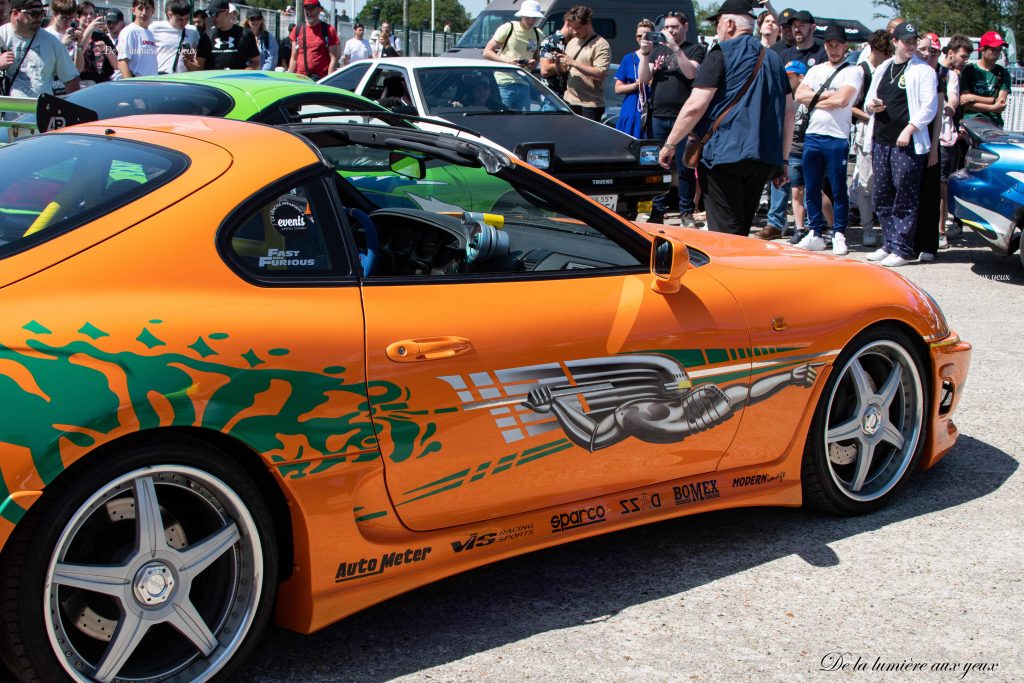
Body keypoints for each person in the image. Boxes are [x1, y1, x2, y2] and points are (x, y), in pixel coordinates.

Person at [657, 0, 793, 236]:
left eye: (718, 23)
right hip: (761, 157)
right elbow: (789, 111)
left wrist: (670, 143)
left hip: (723, 155)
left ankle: (728, 272)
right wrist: (783, 160)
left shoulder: (721, 53)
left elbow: (695, 105)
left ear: (729, 24)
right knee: (740, 230)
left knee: (724, 234)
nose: (717, 29)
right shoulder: (773, 59)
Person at [862, 21, 938, 268]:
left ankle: (903, 248)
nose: (911, 46)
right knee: (882, 195)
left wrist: (910, 128)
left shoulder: (923, 70)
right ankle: (890, 242)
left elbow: (929, 107)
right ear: (895, 42)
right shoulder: (884, 66)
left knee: (904, 197)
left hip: (906, 142)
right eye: (907, 41)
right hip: (881, 139)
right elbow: (868, 101)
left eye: (914, 41)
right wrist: (872, 106)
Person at [792, 24, 863, 256]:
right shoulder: (816, 70)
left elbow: (842, 100)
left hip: (837, 136)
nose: (833, 50)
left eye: (838, 45)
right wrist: (825, 96)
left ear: (845, 46)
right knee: (810, 187)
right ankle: (815, 232)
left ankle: (839, 232)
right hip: (813, 134)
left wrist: (814, 99)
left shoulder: (853, 70)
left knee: (837, 186)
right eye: (830, 45)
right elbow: (799, 95)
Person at [638, 10, 705, 226]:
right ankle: (657, 209)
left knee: (684, 166)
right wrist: (646, 54)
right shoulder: (658, 50)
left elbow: (691, 73)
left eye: (674, 27)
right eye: (666, 28)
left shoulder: (695, 49)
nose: (669, 31)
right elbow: (643, 78)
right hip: (658, 115)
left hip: (682, 118)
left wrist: (675, 48)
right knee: (658, 165)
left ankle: (686, 211)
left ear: (685, 27)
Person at [849, 29, 893, 247]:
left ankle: (885, 227)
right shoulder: (861, 70)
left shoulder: (891, 69)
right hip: (866, 132)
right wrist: (871, 114)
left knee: (884, 183)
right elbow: (851, 106)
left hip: (885, 133)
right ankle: (867, 228)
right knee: (866, 184)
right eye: (884, 51)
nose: (887, 56)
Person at [757, 58, 806, 240]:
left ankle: (813, 224)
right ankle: (776, 223)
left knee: (806, 190)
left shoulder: (806, 97)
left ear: (801, 77)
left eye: (790, 76)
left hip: (802, 149)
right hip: (782, 148)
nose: (786, 79)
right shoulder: (780, 97)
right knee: (778, 184)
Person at [0, 0, 79, 97]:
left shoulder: (52, 42)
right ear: (16, 13)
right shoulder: (2, 36)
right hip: (6, 110)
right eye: (34, 14)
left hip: (40, 111)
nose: (39, 18)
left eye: (42, 13)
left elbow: (71, 81)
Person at [484, 0, 543, 110]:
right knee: (502, 120)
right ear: (522, 15)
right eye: (528, 17)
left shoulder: (538, 34)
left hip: (524, 82)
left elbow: (536, 56)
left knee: (522, 122)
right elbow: (487, 52)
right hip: (503, 82)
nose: (531, 21)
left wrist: (534, 63)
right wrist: (508, 63)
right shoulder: (508, 28)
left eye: (534, 18)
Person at [556, 5, 610, 121]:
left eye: (578, 28)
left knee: (587, 139)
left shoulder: (601, 44)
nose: (574, 32)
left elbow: (600, 74)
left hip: (590, 105)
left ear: (588, 23)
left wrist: (573, 63)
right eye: (572, 28)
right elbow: (564, 70)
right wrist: (558, 62)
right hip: (569, 101)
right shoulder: (572, 42)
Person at [959, 31, 1011, 128]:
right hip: (970, 122)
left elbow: (1000, 103)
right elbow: (965, 103)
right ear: (982, 50)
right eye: (993, 50)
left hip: (994, 123)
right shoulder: (969, 70)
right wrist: (992, 106)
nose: (997, 54)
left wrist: (973, 98)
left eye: (999, 50)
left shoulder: (1003, 73)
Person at [614, 19, 654, 139]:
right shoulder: (628, 58)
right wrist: (635, 85)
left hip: (653, 108)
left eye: (647, 35)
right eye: (639, 35)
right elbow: (617, 88)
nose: (643, 38)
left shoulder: (659, 55)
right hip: (632, 108)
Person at [288, 0, 338, 77]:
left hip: (320, 80)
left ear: (319, 10)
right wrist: (290, 79)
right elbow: (293, 58)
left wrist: (328, 83)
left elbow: (333, 59)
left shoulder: (329, 30)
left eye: (312, 8)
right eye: (306, 8)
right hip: (300, 78)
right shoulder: (297, 29)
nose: (309, 12)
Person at [150, 0, 200, 74]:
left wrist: (192, 54)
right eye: (180, 19)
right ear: (170, 15)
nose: (184, 23)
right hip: (160, 77)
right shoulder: (154, 28)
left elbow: (198, 54)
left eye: (186, 19)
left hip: (184, 79)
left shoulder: (192, 31)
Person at [207, 0, 257, 70]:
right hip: (212, 80)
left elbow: (256, 62)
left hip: (237, 80)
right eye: (210, 14)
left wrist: (242, 75)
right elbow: (200, 65)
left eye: (215, 14)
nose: (213, 18)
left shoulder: (245, 34)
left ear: (226, 12)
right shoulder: (207, 35)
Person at [76, 0, 116, 85]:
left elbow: (116, 65)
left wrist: (106, 49)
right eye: (85, 14)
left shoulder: (101, 35)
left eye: (91, 13)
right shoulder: (75, 35)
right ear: (78, 17)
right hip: (83, 83)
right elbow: (75, 63)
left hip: (103, 82)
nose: (89, 17)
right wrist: (90, 29)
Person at [116, 0, 157, 78]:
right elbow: (122, 63)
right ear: (133, 10)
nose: (144, 13)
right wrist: (131, 86)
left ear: (153, 11)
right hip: (138, 85)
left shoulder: (150, 33)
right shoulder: (129, 31)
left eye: (147, 8)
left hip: (152, 84)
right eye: (140, 8)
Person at [45, 0, 83, 78]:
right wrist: (62, 45)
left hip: (68, 84)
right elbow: (46, 66)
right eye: (63, 18)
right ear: (54, 14)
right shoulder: (46, 34)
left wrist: (79, 46)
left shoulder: (71, 34)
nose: (67, 22)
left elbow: (78, 69)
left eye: (71, 18)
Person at [538, 17, 574, 97]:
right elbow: (544, 71)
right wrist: (569, 64)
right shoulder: (550, 41)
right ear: (568, 23)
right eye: (576, 27)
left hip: (572, 96)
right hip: (552, 97)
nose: (577, 31)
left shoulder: (577, 42)